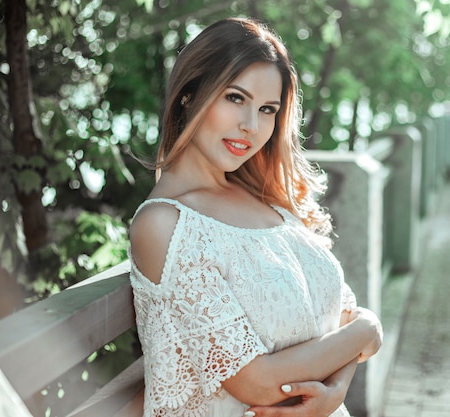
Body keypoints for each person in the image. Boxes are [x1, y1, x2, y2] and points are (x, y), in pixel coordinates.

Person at [129, 17, 383, 417]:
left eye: (267, 109)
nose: (250, 126)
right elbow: (257, 382)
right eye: (235, 98)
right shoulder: (165, 226)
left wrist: (335, 391)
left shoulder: (268, 200)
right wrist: (367, 331)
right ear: (188, 96)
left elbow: (348, 321)